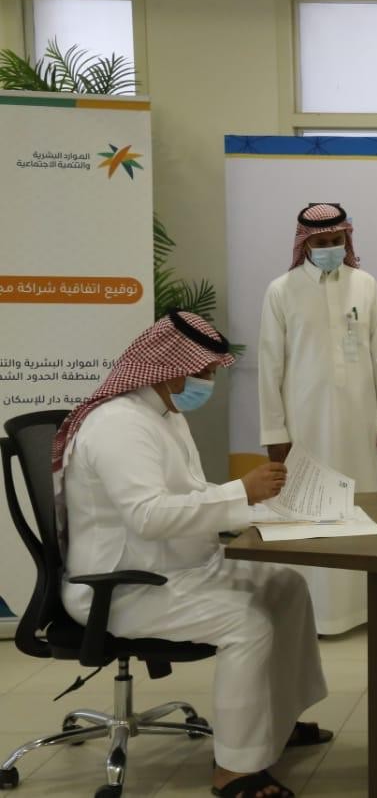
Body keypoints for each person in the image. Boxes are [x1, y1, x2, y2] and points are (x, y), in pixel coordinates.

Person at [55, 311, 330, 798]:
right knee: (247, 623)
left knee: (286, 585)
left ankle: (276, 724)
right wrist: (240, 492)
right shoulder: (119, 425)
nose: (207, 382)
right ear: (168, 368)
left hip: (178, 567)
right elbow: (149, 516)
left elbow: (191, 493)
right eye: (203, 371)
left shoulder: (164, 416)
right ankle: (234, 770)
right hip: (123, 586)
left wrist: (258, 510)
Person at [258, 202, 377, 634]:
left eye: (336, 241)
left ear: (347, 239)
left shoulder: (365, 284)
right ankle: (315, 613)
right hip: (304, 424)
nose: (329, 249)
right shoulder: (281, 290)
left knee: (360, 506)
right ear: (304, 244)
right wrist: (274, 431)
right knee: (310, 512)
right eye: (320, 242)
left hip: (360, 422)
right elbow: (269, 366)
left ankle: (363, 609)